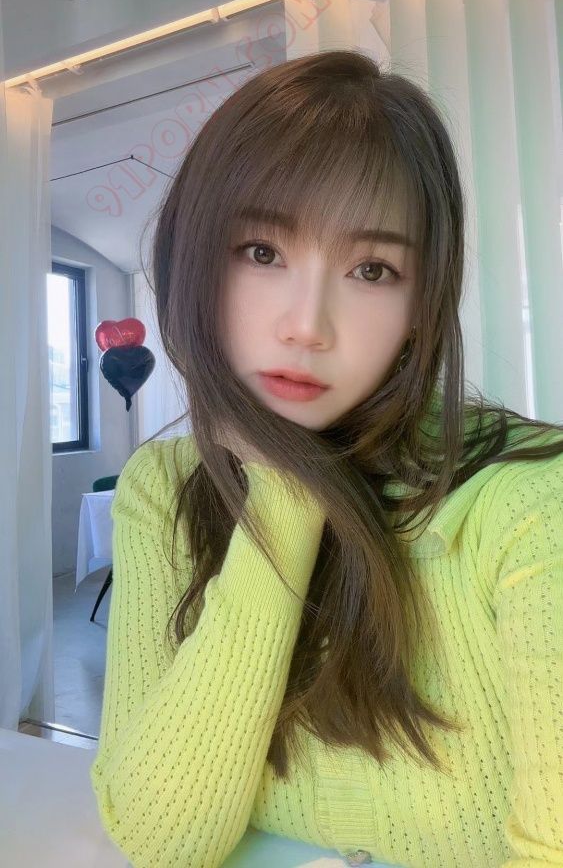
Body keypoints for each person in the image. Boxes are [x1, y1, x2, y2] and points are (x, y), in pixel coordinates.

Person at [89, 49, 563, 868]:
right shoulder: (162, 489)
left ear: (420, 306)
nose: (307, 326)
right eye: (261, 252)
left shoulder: (527, 504)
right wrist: (285, 489)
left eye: (371, 269)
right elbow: (159, 837)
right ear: (191, 258)